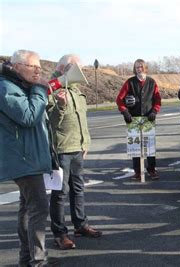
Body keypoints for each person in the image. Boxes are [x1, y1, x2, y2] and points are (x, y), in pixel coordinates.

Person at [0, 50, 53, 266]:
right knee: (39, 208)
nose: (38, 71)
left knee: (27, 208)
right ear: (17, 66)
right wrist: (40, 89)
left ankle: (27, 257)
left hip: (27, 157)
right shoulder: (6, 87)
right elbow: (28, 116)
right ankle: (37, 260)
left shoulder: (18, 85)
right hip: (23, 159)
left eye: (40, 67)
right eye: (33, 67)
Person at [48, 54, 102, 250]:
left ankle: (80, 224)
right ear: (64, 69)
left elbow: (82, 121)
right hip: (61, 149)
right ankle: (60, 233)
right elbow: (50, 123)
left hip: (78, 148)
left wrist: (85, 143)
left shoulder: (76, 91)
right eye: (76, 70)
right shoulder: (50, 90)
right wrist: (60, 107)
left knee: (78, 189)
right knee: (60, 193)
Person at [116, 59, 161, 180]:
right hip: (133, 118)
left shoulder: (151, 82)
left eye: (141, 67)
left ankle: (151, 169)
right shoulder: (129, 82)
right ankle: (137, 171)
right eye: (136, 67)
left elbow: (157, 99)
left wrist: (154, 111)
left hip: (148, 118)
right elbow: (119, 99)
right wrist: (125, 112)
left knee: (149, 146)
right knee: (135, 147)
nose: (139, 69)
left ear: (145, 68)